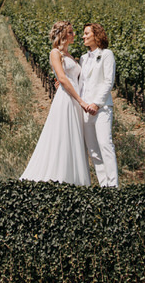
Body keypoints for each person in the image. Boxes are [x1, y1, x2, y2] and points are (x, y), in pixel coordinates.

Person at [20, 21, 92, 185]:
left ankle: (73, 179)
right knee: (63, 136)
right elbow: (62, 79)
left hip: (74, 98)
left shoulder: (70, 56)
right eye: (71, 32)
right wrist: (80, 101)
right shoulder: (55, 53)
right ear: (63, 35)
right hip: (67, 99)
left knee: (74, 137)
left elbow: (73, 79)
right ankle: (59, 177)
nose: (74, 35)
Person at [79, 23, 119, 187]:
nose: (83, 36)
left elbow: (108, 82)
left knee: (105, 145)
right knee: (93, 150)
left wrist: (96, 103)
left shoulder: (106, 54)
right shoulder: (82, 58)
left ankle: (113, 186)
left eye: (87, 33)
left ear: (96, 35)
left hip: (101, 108)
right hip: (85, 110)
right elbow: (81, 82)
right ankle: (104, 186)